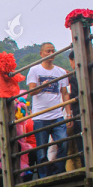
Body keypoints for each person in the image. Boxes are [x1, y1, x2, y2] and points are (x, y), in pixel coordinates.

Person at [26, 42, 69, 177]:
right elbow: (32, 91)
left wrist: (68, 112)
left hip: (57, 114)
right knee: (41, 149)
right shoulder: (35, 70)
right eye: (48, 51)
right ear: (41, 53)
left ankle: (58, 171)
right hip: (40, 116)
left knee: (63, 142)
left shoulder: (61, 72)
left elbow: (65, 93)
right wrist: (43, 86)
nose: (51, 54)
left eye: (53, 51)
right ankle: (44, 176)